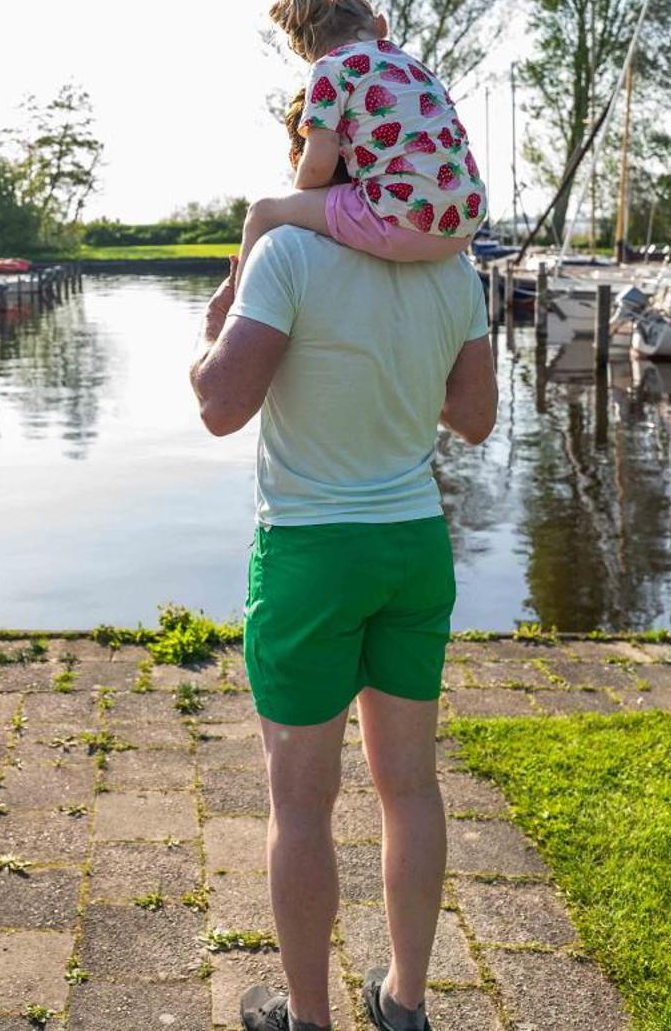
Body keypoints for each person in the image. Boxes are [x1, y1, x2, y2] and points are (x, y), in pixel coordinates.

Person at [189, 161, 496, 1031]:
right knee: (411, 786)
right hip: (412, 547)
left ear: (320, 152)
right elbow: (474, 417)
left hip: (312, 555)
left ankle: (310, 1019)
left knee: (300, 803)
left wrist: (210, 334)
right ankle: (404, 1003)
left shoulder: (285, 250)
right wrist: (393, 376)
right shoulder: (452, 265)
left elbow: (219, 404)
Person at [236, 0, 488, 283]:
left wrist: (297, 205)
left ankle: (237, 302)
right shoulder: (416, 67)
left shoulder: (329, 68)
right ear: (380, 25)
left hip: (400, 221)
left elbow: (318, 163)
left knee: (261, 213)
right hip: (464, 226)